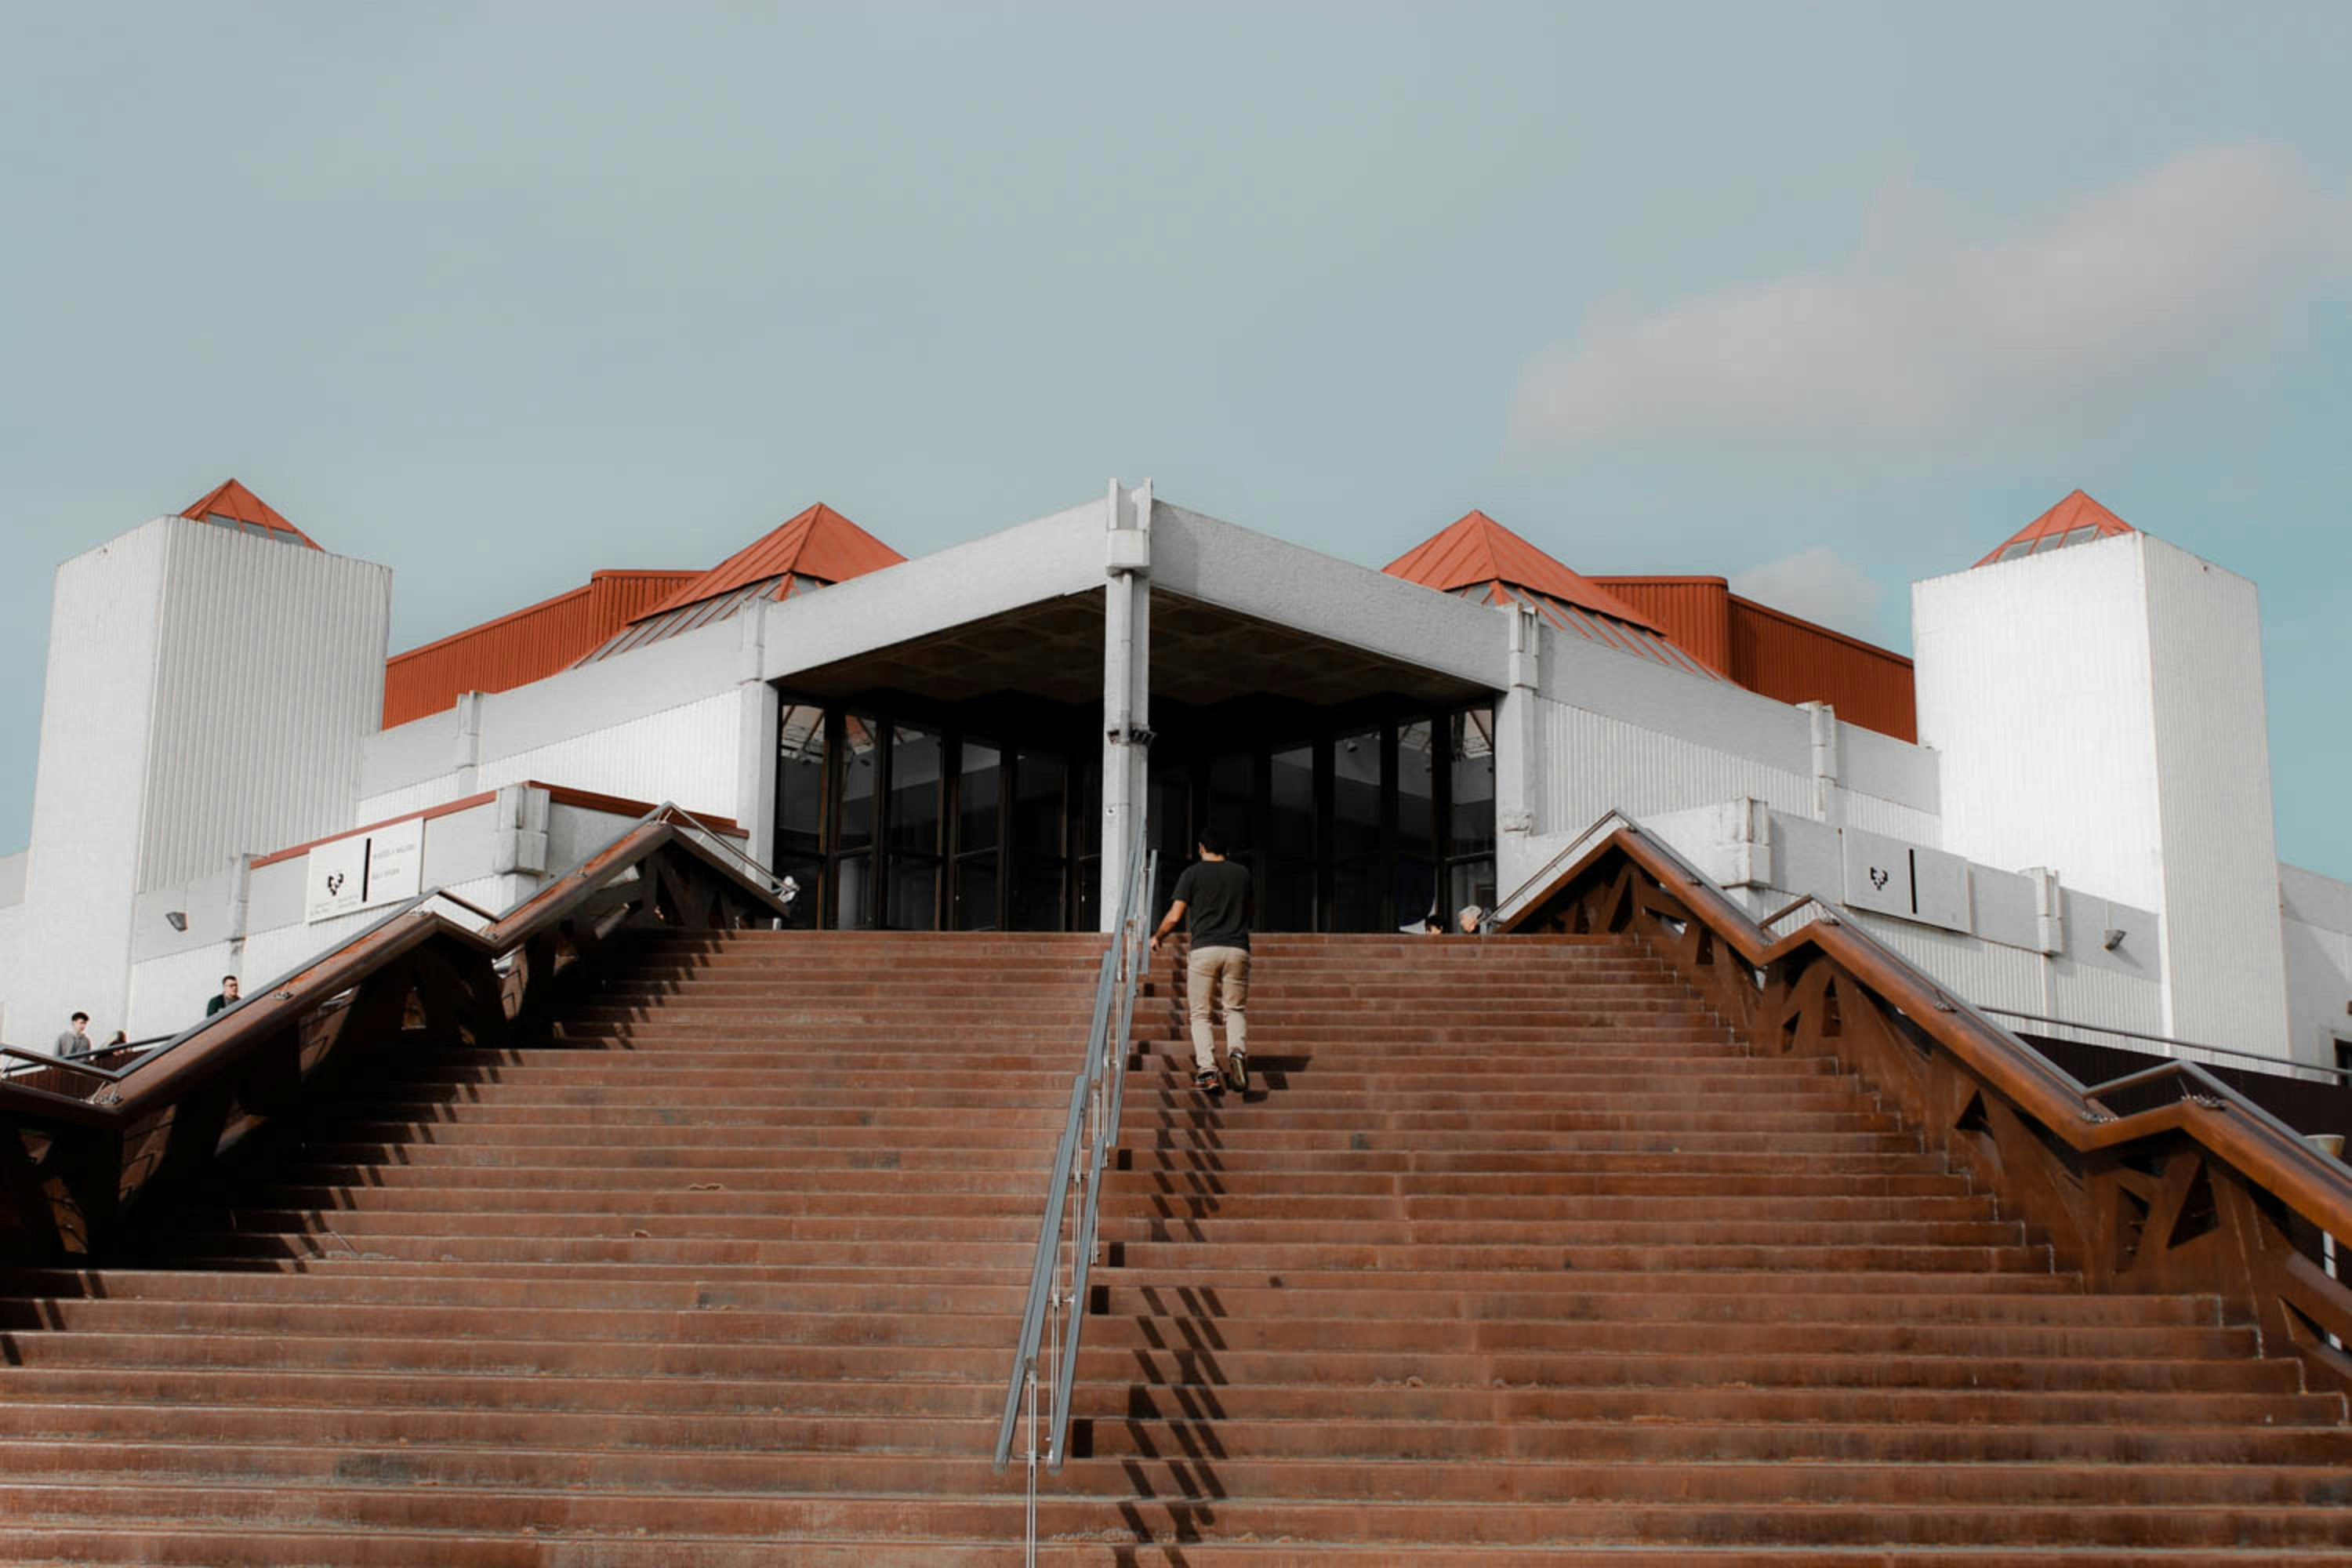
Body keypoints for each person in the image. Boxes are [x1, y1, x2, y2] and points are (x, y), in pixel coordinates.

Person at [1149, 826, 1253, 1095]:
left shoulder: (1192, 874)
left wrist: (1158, 936)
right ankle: (1237, 1053)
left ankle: (1207, 1069)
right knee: (1234, 1010)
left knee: (1200, 1013)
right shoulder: (1242, 874)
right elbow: (1249, 910)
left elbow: (1174, 916)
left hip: (1205, 949)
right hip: (1237, 948)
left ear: (1201, 848)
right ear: (1226, 849)